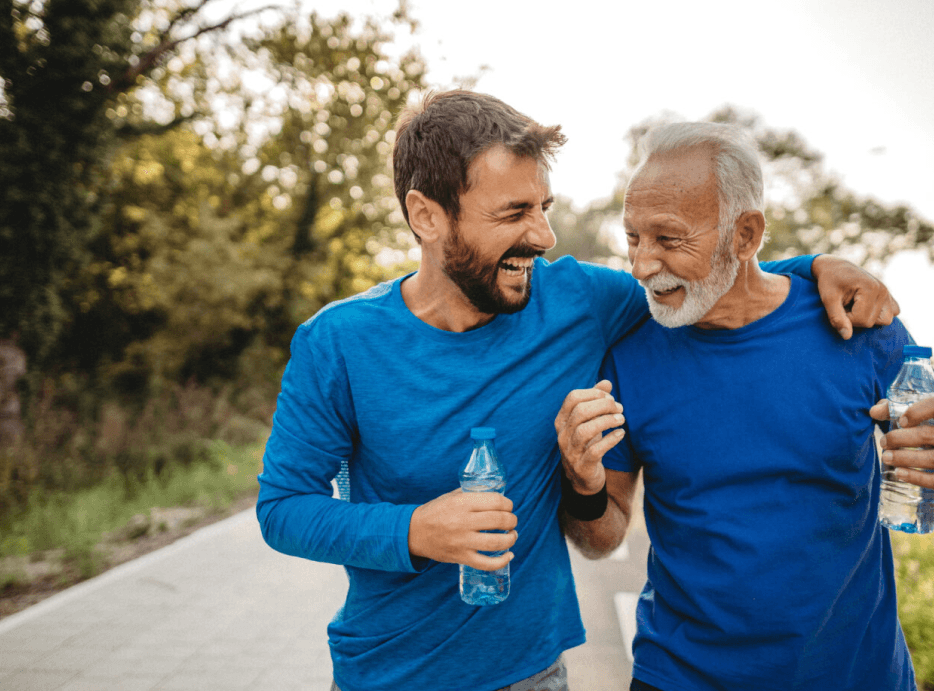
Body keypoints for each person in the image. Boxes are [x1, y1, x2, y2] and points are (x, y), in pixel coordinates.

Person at [256, 90, 900, 691]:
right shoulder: (337, 343)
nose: (541, 236)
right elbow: (283, 509)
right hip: (389, 672)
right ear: (426, 215)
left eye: (543, 208)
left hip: (535, 672)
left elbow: (713, 280)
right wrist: (415, 530)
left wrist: (815, 269)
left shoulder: (580, 302)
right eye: (513, 213)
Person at [555, 121, 934, 691]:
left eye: (669, 239)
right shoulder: (629, 355)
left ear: (745, 236)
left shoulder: (856, 324)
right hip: (680, 677)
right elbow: (603, 537)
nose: (643, 265)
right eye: (633, 238)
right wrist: (582, 481)